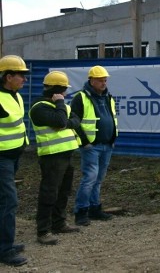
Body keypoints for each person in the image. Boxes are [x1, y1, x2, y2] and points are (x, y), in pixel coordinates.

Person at [29, 71, 82, 245]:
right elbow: (61, 121)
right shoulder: (39, 108)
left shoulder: (61, 106)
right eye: (64, 90)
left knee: (63, 192)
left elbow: (75, 120)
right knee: (49, 193)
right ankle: (43, 231)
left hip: (66, 154)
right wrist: (60, 105)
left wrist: (64, 119)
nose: (66, 93)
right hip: (51, 156)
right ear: (58, 90)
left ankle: (59, 223)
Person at [71, 65, 118, 226]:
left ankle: (94, 208)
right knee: (89, 178)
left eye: (105, 79)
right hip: (91, 146)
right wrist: (84, 143)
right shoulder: (81, 98)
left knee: (98, 179)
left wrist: (112, 139)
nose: (104, 82)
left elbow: (112, 118)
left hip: (107, 145)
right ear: (91, 81)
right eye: (100, 80)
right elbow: (75, 122)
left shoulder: (108, 97)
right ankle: (81, 211)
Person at [0, 55, 30, 267]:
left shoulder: (15, 95)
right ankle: (4, 249)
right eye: (21, 76)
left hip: (13, 155)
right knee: (9, 201)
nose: (25, 80)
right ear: (8, 77)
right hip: (1, 158)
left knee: (4, 201)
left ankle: (4, 242)